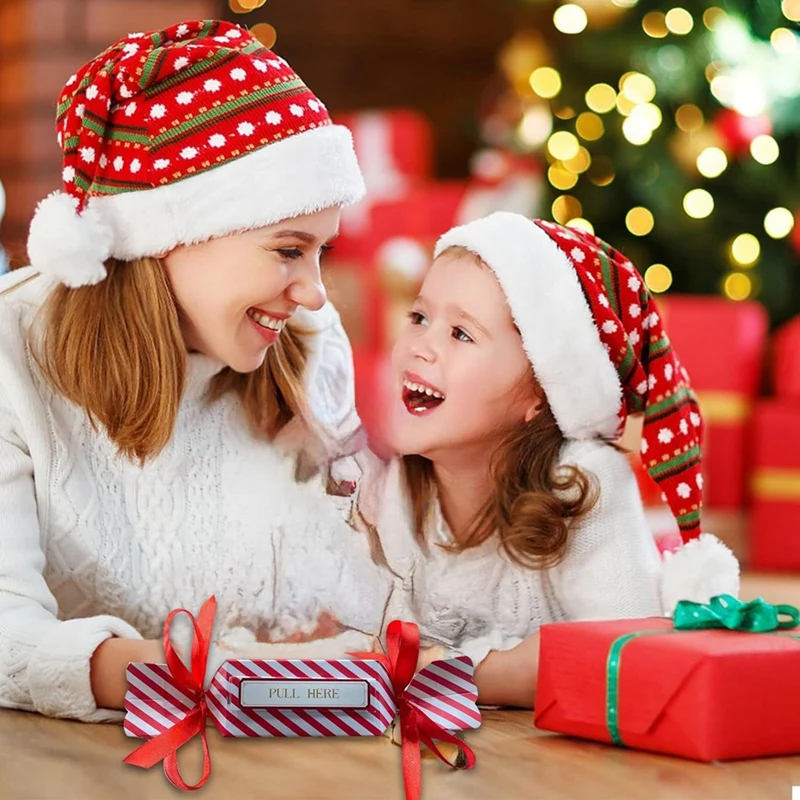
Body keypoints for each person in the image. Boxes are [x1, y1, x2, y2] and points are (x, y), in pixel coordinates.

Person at [0, 19, 390, 722]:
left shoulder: (303, 339)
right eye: (288, 250)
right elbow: (7, 640)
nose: (315, 293)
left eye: (322, 252)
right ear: (169, 236)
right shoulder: (11, 358)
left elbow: (364, 596)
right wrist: (241, 678)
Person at [358, 212, 739, 707]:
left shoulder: (583, 481)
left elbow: (626, 649)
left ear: (540, 391)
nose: (419, 346)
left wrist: (465, 675)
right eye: (419, 318)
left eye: (461, 334)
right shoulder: (389, 488)